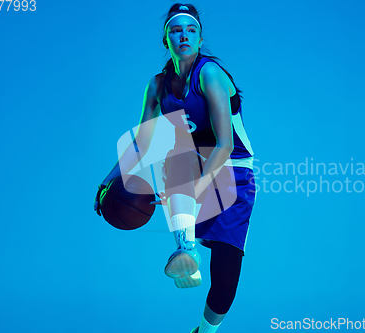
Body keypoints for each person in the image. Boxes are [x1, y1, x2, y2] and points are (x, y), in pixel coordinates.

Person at [94, 4, 256, 333]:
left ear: (199, 37)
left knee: (225, 279)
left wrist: (192, 193)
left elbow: (224, 145)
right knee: (174, 153)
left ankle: (204, 331)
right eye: (176, 30)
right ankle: (187, 252)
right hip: (192, 163)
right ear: (165, 38)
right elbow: (142, 143)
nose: (183, 35)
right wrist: (109, 182)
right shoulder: (158, 86)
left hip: (234, 171)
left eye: (191, 30)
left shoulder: (209, 74)